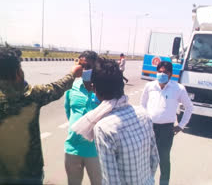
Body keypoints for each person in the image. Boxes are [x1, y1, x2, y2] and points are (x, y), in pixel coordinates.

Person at [0, 47, 83, 184]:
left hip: (5, 171)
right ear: (18, 72)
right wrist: (73, 73)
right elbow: (57, 87)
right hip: (32, 171)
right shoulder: (31, 95)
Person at [71, 57, 159, 185]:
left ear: (95, 89)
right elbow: (154, 159)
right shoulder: (143, 114)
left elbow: (111, 180)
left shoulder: (104, 127)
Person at [140, 61, 194, 185]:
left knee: (163, 159)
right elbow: (142, 104)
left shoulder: (178, 88)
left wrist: (181, 125)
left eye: (165, 72)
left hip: (166, 130)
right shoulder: (150, 86)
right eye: (159, 72)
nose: (162, 74)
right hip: (149, 128)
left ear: (170, 74)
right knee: (146, 159)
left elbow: (189, 108)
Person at [64, 51, 101, 185]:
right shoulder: (72, 86)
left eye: (88, 67)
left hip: (96, 150)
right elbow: (68, 111)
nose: (83, 70)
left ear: (96, 67)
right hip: (72, 147)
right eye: (81, 66)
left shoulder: (102, 88)